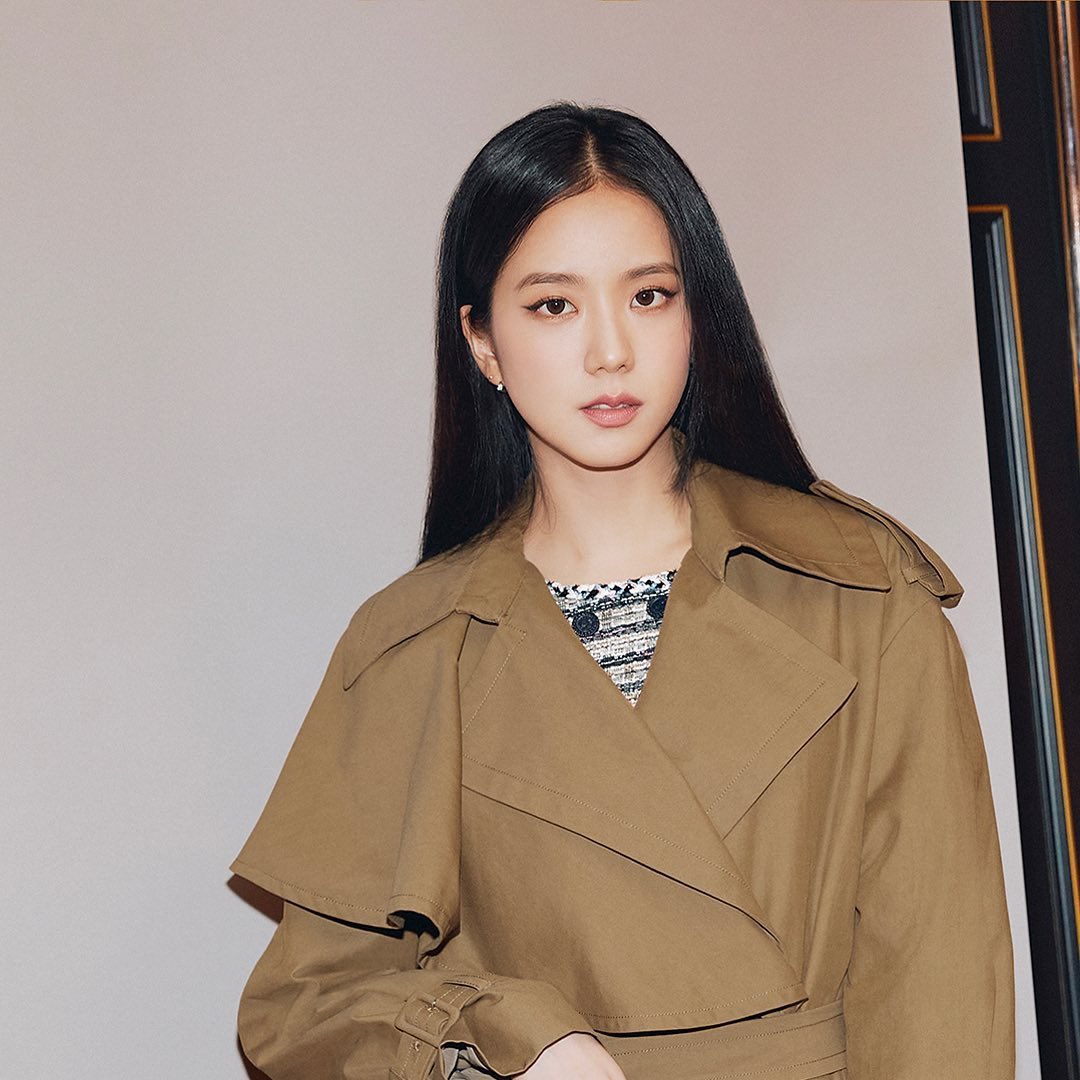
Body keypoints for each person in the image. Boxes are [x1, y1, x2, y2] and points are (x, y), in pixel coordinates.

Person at [231, 102, 1015, 1079]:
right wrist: (500, 1033)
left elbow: (940, 980)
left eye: (648, 296)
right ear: (483, 342)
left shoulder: (858, 589)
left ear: (696, 315)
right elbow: (304, 1005)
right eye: (553, 306)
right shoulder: (414, 645)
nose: (611, 350)